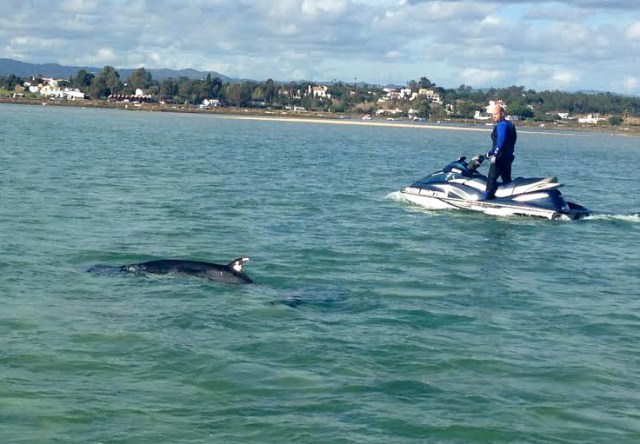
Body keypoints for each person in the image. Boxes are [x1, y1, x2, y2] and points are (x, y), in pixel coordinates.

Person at [481, 102, 517, 200]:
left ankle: (486, 198)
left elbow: (501, 140)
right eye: (493, 115)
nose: (494, 116)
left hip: (500, 158)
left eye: (496, 114)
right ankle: (510, 198)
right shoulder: (510, 125)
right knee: (506, 180)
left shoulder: (502, 125)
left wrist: (495, 154)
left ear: (502, 113)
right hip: (507, 158)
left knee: (491, 179)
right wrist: (488, 154)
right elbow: (508, 143)